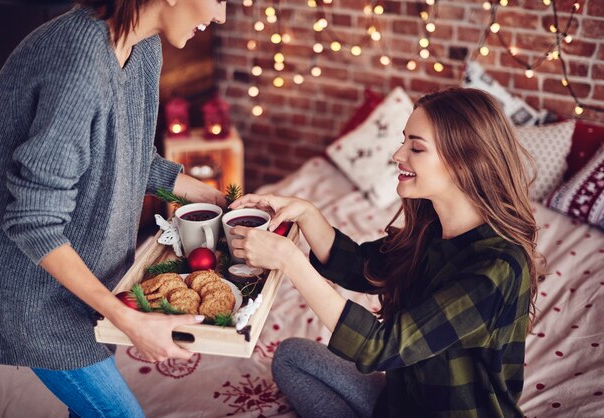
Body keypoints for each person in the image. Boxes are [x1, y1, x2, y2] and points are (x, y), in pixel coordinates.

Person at [229, 88, 543, 417]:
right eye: (403, 140)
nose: (397, 154)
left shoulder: (495, 268)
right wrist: (307, 214)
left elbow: (377, 346)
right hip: (403, 401)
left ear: (464, 162)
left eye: (416, 147)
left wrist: (290, 261)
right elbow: (365, 267)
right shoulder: (434, 227)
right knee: (292, 356)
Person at [0, 0, 226, 416]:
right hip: (39, 297)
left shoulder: (144, 45)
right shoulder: (79, 63)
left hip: (93, 283)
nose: (221, 16)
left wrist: (217, 199)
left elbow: (131, 157)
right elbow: (32, 221)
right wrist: (126, 319)